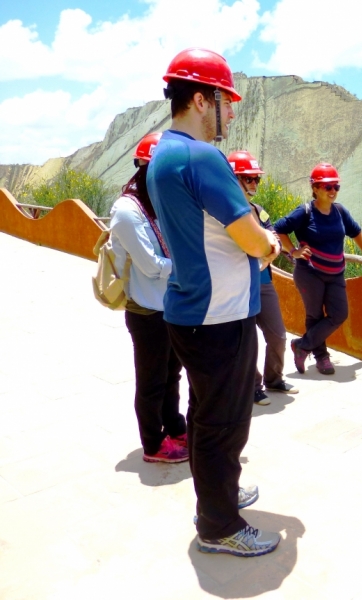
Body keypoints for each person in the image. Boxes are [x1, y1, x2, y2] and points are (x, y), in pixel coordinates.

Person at [146, 48, 282, 557]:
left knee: (205, 416)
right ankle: (220, 524)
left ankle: (216, 497)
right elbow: (251, 239)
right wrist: (269, 243)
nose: (232, 111)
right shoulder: (202, 157)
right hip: (219, 315)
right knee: (225, 423)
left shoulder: (163, 153)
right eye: (227, 100)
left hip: (192, 313)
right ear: (202, 100)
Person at [109, 132, 188, 464]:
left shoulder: (158, 206)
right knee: (152, 380)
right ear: (143, 169)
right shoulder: (128, 211)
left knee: (172, 374)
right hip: (147, 312)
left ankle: (174, 426)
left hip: (169, 306)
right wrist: (192, 266)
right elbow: (151, 266)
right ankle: (153, 444)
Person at [274, 163, 362, 375]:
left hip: (336, 273)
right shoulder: (304, 212)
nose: (332, 191)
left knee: (339, 314)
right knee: (314, 315)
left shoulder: (340, 212)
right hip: (309, 272)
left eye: (336, 187)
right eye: (327, 187)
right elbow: (278, 229)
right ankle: (322, 357)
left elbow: (356, 231)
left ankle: (302, 345)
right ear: (315, 188)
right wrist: (292, 251)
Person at [227, 149, 298, 404]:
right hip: (238, 287)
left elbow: (274, 239)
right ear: (233, 178)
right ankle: (253, 386)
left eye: (257, 179)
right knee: (247, 342)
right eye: (249, 178)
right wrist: (263, 248)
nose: (254, 183)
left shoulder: (259, 211)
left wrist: (266, 252)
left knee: (278, 335)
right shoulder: (222, 213)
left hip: (264, 284)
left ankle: (274, 379)